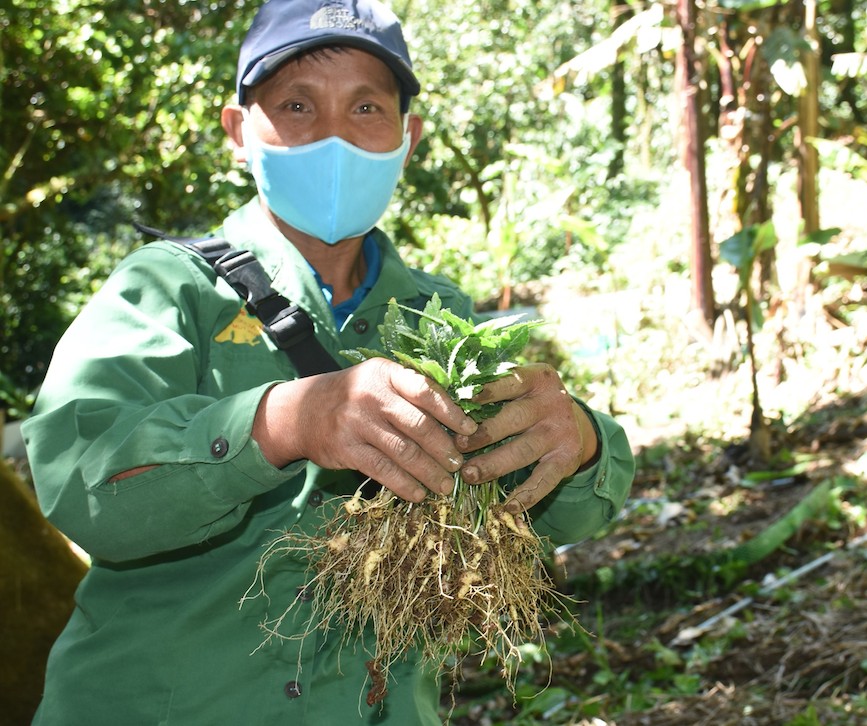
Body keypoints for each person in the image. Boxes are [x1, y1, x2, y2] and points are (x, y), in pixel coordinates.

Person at [22, 0, 635, 723]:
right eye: (297, 105)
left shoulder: (445, 321)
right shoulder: (165, 289)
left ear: (407, 137)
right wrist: (286, 422)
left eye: (367, 106)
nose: (334, 136)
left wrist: (582, 444)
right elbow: (78, 480)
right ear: (238, 132)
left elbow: (540, 512)